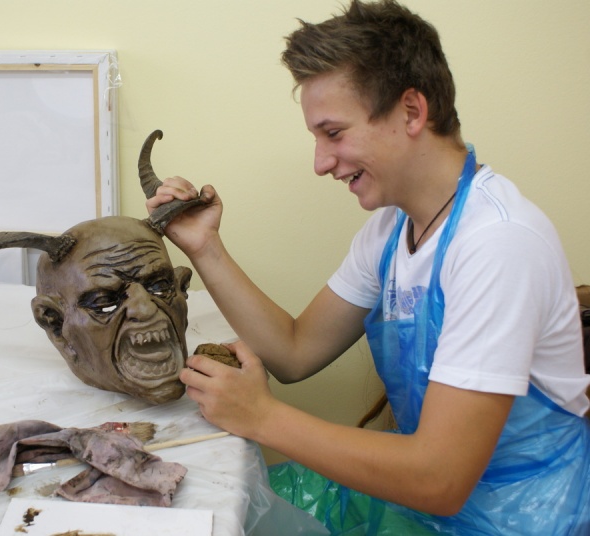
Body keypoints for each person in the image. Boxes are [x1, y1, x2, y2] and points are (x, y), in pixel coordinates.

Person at [145, 0, 590, 533]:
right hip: (425, 505)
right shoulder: (391, 230)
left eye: (333, 133)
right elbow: (294, 351)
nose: (320, 163)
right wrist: (205, 247)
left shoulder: (498, 244)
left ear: (411, 111)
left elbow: (441, 479)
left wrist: (262, 417)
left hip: (516, 521)